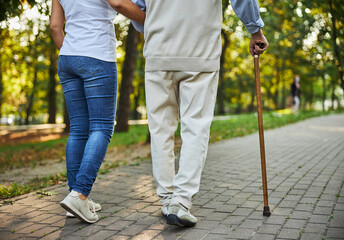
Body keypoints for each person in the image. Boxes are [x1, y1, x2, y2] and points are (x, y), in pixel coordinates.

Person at [131, 0, 269, 227]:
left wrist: (157, 26)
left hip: (158, 52)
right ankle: (181, 200)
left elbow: (135, 7)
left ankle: (166, 198)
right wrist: (255, 31)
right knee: (195, 127)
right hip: (200, 52)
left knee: (160, 130)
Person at [50, 0, 145, 224]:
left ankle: (75, 198)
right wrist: (149, 20)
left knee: (78, 131)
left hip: (67, 58)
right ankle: (79, 194)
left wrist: (72, 52)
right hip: (97, 56)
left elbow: (55, 27)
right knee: (102, 127)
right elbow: (119, 3)